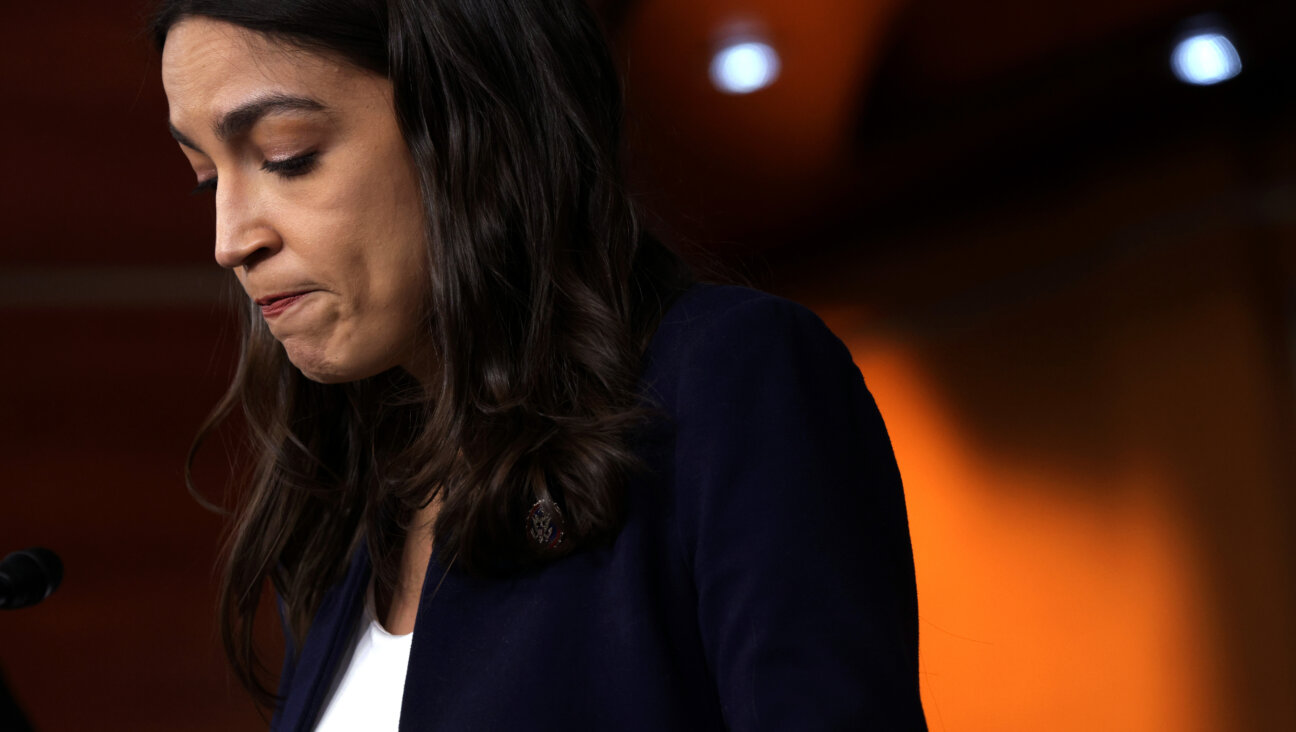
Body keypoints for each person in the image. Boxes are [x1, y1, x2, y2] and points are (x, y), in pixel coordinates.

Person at [151, 0, 926, 729]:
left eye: (287, 156)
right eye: (208, 179)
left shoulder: (729, 381)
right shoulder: (355, 514)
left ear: (469, 116)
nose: (230, 241)